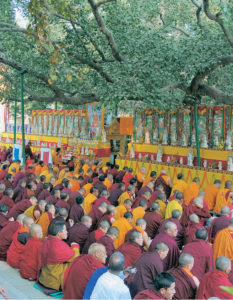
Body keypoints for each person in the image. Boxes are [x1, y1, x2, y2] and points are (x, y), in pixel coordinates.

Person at [38, 221, 79, 291]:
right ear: (59, 234)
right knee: (76, 264)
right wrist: (75, 247)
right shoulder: (58, 245)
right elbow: (75, 257)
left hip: (44, 278)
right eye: (65, 230)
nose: (67, 232)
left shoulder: (47, 240)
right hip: (54, 283)